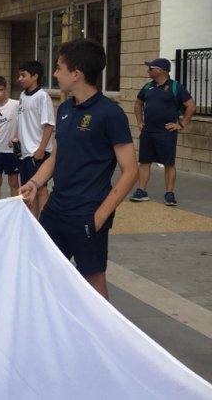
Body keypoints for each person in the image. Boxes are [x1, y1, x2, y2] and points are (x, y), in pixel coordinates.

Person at [20, 39, 138, 299]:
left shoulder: (110, 114)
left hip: (88, 213)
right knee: (43, 272)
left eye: (59, 68)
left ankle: (102, 338)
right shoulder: (64, 109)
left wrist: (99, 217)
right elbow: (57, 156)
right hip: (56, 209)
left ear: (77, 74)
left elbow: (131, 171)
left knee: (93, 282)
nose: (54, 74)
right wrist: (35, 183)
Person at [131, 58, 196, 206]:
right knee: (145, 162)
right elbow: (138, 104)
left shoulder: (176, 87)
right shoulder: (148, 87)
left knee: (169, 163)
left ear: (160, 70)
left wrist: (181, 124)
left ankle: (169, 194)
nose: (148, 70)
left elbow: (191, 106)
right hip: (148, 132)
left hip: (166, 133)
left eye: (150, 68)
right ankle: (141, 191)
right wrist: (140, 122)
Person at [14, 60, 54, 217]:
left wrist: (41, 149)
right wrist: (16, 137)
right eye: (19, 75)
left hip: (37, 151)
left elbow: (49, 125)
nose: (20, 78)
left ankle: (44, 222)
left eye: (23, 75)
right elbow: (22, 120)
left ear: (35, 76)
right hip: (24, 151)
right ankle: (33, 220)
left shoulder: (43, 97)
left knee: (41, 188)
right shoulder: (23, 95)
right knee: (28, 187)